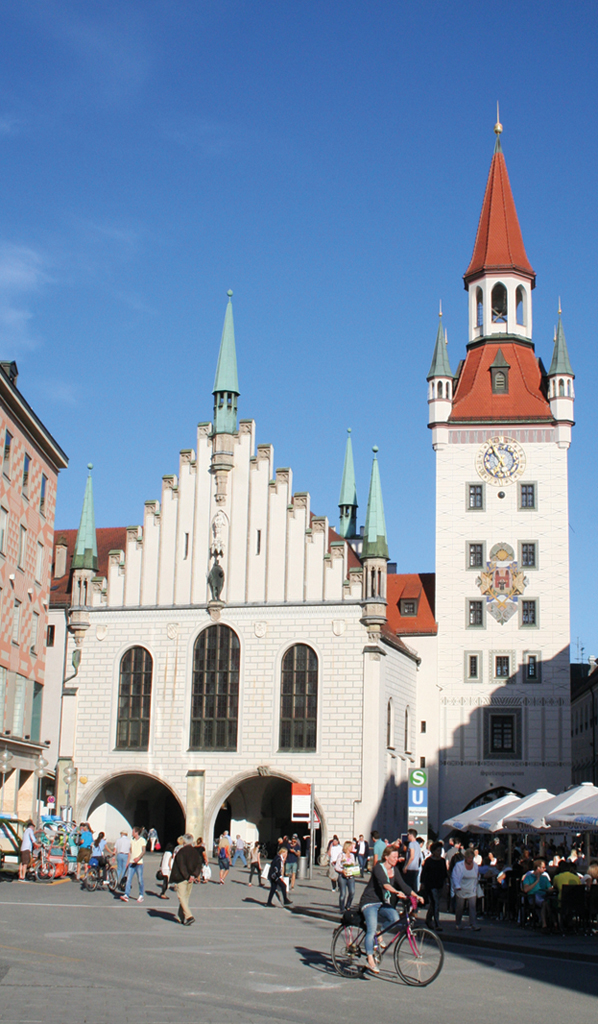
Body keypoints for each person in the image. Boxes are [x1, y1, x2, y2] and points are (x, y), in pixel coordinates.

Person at [359, 844, 423, 974]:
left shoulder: (395, 870)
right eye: (394, 856)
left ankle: (379, 934)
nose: (396, 858)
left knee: (394, 917)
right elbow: (385, 884)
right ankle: (370, 959)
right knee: (371, 929)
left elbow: (404, 885)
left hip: (381, 902)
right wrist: (396, 892)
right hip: (369, 902)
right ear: (386, 857)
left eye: (397, 856)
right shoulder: (378, 868)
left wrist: (417, 896)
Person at [170, 834, 204, 925]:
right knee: (185, 898)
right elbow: (199, 864)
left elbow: (182, 866)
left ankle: (189, 916)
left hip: (182, 878)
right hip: (191, 877)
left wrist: (187, 876)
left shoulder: (181, 852)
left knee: (181, 897)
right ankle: (181, 916)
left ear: (184, 842)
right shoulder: (195, 852)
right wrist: (194, 875)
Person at [421, 840, 448, 931]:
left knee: (434, 903)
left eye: (440, 851)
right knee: (436, 903)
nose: (439, 853)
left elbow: (445, 873)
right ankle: (437, 923)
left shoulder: (442, 861)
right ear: (433, 851)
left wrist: (446, 883)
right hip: (431, 885)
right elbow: (424, 873)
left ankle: (428, 919)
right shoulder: (429, 861)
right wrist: (422, 884)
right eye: (437, 851)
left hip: (439, 884)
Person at [452, 848, 481, 931]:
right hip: (461, 889)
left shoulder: (475, 865)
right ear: (465, 858)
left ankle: (473, 924)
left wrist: (478, 877)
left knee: (472, 907)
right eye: (469, 858)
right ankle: (458, 923)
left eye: (472, 858)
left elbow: (477, 876)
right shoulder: (459, 865)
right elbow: (455, 876)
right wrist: (457, 886)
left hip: (472, 889)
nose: (470, 860)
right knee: (460, 908)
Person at [521, 857, 552, 929]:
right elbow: (526, 890)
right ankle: (547, 922)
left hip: (544, 896)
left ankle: (544, 923)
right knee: (544, 903)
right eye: (543, 868)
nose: (545, 869)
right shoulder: (528, 877)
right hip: (533, 897)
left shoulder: (545, 877)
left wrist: (551, 890)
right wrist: (537, 881)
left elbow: (550, 888)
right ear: (538, 868)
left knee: (547, 902)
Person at [120, 826, 146, 903]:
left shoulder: (142, 840)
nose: (132, 833)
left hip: (139, 863)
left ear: (136, 832)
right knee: (128, 879)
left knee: (140, 880)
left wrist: (138, 858)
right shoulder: (131, 840)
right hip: (132, 862)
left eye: (133, 831)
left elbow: (143, 851)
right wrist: (128, 862)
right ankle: (126, 895)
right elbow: (130, 851)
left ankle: (141, 895)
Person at [335, 840, 357, 914]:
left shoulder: (352, 856)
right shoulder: (341, 855)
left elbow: (354, 864)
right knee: (343, 894)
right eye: (351, 846)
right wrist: (342, 870)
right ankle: (342, 908)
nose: (352, 847)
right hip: (343, 877)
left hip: (350, 876)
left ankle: (348, 905)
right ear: (347, 847)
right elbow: (337, 866)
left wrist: (354, 869)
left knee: (352, 892)